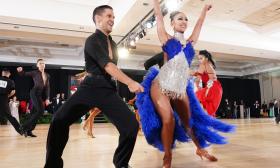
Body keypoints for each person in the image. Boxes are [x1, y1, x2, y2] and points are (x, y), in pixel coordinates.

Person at [136, 1, 235, 168]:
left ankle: (199, 149)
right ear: (172, 23)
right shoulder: (166, 38)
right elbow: (159, 16)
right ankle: (167, 156)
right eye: (179, 19)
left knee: (188, 123)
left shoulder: (190, 43)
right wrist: (155, 3)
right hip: (161, 86)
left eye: (186, 19)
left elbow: (199, 25)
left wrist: (204, 10)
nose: (183, 21)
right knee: (168, 120)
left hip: (179, 88)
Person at [44, 5, 144, 168]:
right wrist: (131, 82)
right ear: (98, 19)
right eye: (109, 16)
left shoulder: (113, 44)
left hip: (107, 90)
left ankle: (121, 163)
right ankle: (52, 165)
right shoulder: (92, 39)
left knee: (131, 126)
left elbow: (109, 68)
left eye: (113, 17)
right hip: (90, 89)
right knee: (59, 120)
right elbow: (107, 66)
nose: (112, 19)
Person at [17, 58, 51, 137]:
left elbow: (47, 88)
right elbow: (24, 74)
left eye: (43, 63)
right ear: (37, 65)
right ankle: (23, 127)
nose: (42, 64)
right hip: (34, 93)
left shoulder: (47, 75)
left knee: (34, 113)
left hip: (39, 95)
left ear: (45, 65)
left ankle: (29, 131)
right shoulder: (34, 73)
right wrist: (20, 71)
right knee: (40, 111)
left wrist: (47, 98)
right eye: (40, 63)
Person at [194, 50, 222, 117]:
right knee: (206, 106)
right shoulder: (210, 64)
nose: (200, 60)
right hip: (217, 88)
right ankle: (206, 123)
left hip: (211, 87)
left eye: (201, 58)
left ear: (206, 58)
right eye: (199, 59)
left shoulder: (203, 64)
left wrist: (197, 86)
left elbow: (197, 78)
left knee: (195, 98)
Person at [0, 68, 22, 135]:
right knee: (9, 116)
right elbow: (13, 91)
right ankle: (21, 130)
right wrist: (7, 96)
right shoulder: (10, 81)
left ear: (2, 73)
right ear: (8, 74)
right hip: (3, 99)